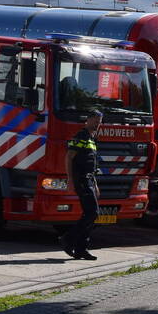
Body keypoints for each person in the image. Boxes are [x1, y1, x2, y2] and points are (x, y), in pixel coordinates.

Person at [61, 108, 102, 261]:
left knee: (90, 214)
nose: (98, 124)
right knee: (93, 213)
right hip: (82, 180)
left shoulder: (92, 139)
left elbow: (92, 164)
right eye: (96, 121)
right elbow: (69, 158)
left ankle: (80, 249)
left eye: (100, 122)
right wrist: (70, 180)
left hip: (90, 180)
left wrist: (95, 183)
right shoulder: (81, 136)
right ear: (88, 120)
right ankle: (68, 239)